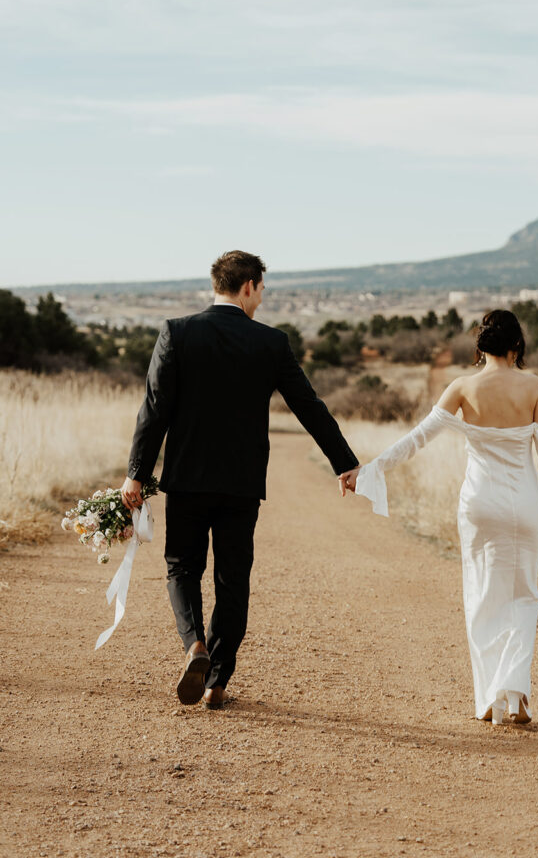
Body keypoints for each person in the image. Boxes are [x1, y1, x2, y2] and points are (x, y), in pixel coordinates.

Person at [120, 250, 359, 709]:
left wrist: (136, 474)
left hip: (187, 478)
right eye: (262, 290)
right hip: (241, 484)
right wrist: (343, 461)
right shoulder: (270, 343)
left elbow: (154, 409)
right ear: (248, 286)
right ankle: (217, 682)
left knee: (183, 567)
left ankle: (195, 646)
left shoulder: (177, 332)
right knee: (233, 580)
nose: (262, 299)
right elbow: (309, 406)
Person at [340, 309, 538, 726]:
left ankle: (490, 699)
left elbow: (417, 439)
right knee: (524, 596)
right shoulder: (534, 386)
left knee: (482, 596)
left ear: (480, 347)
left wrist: (369, 470)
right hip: (524, 504)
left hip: (480, 505)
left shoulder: (463, 387)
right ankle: (517, 695)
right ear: (516, 346)